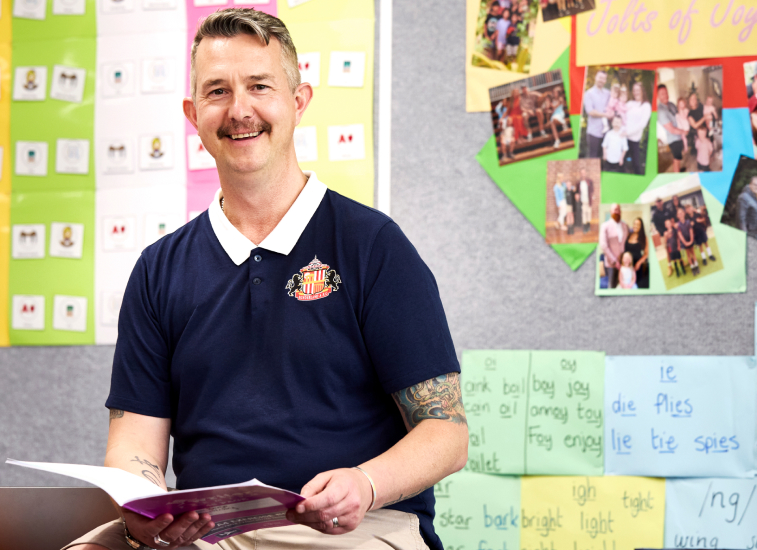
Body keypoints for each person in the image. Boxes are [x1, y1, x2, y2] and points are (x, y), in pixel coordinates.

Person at [66, 9, 467, 550]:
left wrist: (367, 485)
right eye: (217, 91)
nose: (239, 110)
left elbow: (446, 434)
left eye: (260, 86)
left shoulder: (373, 246)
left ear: (298, 101)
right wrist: (142, 508)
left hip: (354, 530)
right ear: (193, 113)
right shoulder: (158, 270)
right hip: (209, 535)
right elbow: (135, 442)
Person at [622, 80, 652, 174]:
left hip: (634, 139)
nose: (636, 92)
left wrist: (628, 133)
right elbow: (621, 114)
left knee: (636, 165)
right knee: (620, 163)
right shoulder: (630, 103)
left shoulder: (646, 106)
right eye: (634, 90)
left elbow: (642, 124)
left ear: (642, 91)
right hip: (622, 137)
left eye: (638, 90)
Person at [580, 70, 611, 160]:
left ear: (605, 81)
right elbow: (591, 112)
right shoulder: (589, 93)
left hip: (606, 132)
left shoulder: (608, 93)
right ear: (595, 77)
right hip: (594, 132)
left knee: (604, 158)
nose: (601, 80)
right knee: (593, 158)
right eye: (600, 77)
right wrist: (605, 115)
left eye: (603, 78)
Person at [656, 84, 686, 173]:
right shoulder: (661, 111)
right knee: (676, 159)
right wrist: (684, 131)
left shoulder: (671, 104)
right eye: (662, 94)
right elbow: (672, 129)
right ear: (658, 96)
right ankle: (677, 176)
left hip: (679, 136)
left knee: (678, 157)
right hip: (673, 140)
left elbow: (679, 116)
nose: (665, 95)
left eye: (666, 92)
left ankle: (678, 170)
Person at [599, 204, 628, 289]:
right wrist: (615, 261)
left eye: (619, 210)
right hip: (611, 263)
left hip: (623, 263)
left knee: (622, 285)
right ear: (611, 211)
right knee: (611, 286)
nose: (617, 212)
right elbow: (603, 245)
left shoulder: (624, 226)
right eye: (615, 210)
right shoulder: (605, 226)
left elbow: (626, 242)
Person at [626, 217, 648, 289]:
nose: (635, 226)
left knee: (636, 286)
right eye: (634, 224)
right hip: (627, 265)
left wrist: (638, 263)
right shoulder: (628, 235)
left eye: (638, 224)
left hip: (637, 266)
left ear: (641, 227)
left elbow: (646, 254)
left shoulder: (644, 238)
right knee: (627, 285)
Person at [578, 168, 594, 234]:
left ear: (586, 173)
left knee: (589, 213)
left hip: (589, 201)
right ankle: (584, 228)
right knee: (584, 214)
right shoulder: (579, 183)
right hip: (583, 201)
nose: (583, 174)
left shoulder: (589, 181)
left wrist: (592, 197)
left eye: (584, 173)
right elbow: (578, 192)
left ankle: (588, 226)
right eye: (582, 173)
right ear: (580, 174)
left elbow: (592, 190)